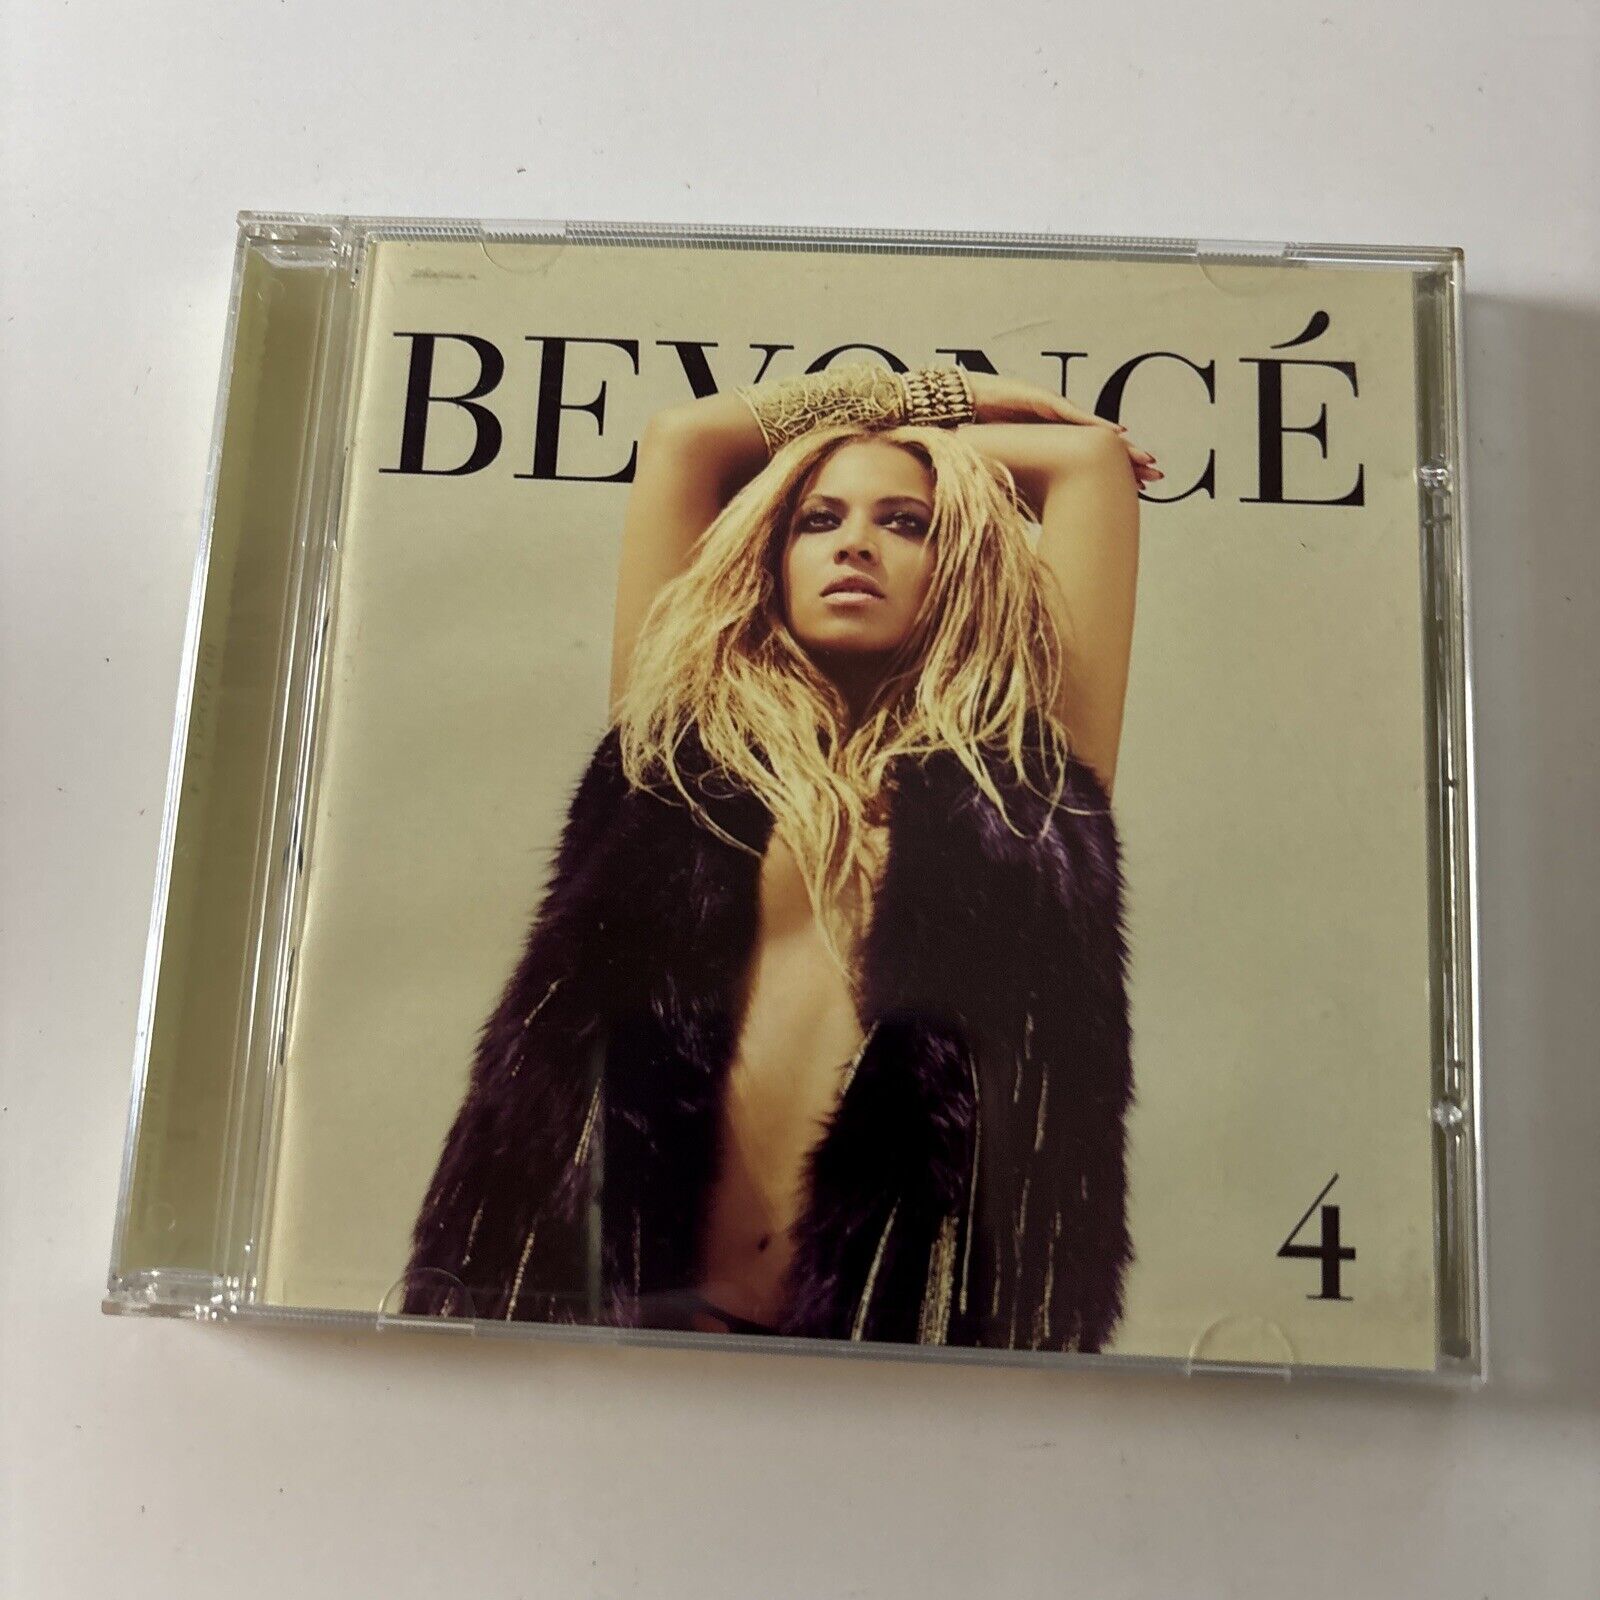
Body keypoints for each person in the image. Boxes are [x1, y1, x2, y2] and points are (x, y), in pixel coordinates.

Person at [402, 361, 1157, 1352]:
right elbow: (687, 441)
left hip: (899, 1338)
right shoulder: (679, 748)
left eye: (907, 523)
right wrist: (932, 399)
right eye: (817, 519)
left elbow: (1087, 462)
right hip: (611, 1310)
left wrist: (929, 452)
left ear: (965, 561)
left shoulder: (1026, 782)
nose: (855, 543)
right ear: (769, 551)